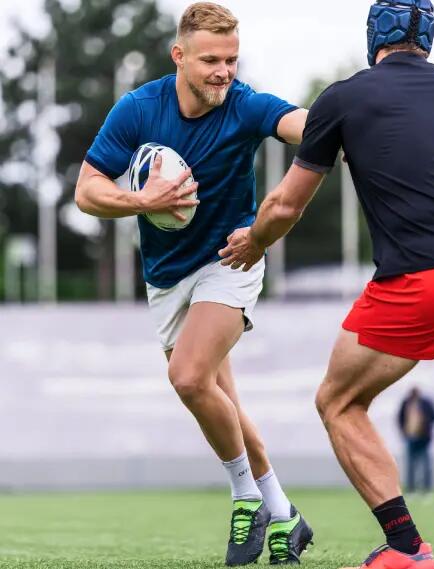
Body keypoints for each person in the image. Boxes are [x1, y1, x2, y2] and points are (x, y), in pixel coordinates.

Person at [219, 0, 434, 567]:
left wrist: (255, 241)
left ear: (374, 34)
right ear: (429, 36)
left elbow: (286, 204)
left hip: (421, 276)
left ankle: (407, 549)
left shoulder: (345, 97)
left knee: (338, 401)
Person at [75, 2, 313, 565]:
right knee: (220, 397)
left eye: (231, 59)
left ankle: (244, 498)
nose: (223, 71)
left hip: (230, 261)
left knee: (187, 377)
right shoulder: (138, 109)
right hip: (165, 278)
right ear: (178, 56)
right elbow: (86, 191)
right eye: (210, 60)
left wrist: (344, 119)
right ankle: (285, 515)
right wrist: (142, 201)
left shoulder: (245, 104)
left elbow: (299, 124)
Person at [398, 388, 434, 494]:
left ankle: (426, 490)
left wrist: (426, 425)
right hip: (410, 437)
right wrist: (403, 431)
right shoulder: (406, 403)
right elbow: (400, 418)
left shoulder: (426, 403)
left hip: (424, 438)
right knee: (410, 466)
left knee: (425, 465)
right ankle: (411, 489)